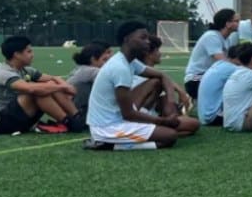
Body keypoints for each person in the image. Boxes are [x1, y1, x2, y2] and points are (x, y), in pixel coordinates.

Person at [84, 22, 199, 150]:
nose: (148, 42)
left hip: (119, 119)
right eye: (142, 38)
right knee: (169, 136)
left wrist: (171, 105)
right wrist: (164, 121)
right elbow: (128, 114)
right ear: (127, 39)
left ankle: (128, 139)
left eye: (147, 38)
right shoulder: (119, 67)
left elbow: (162, 76)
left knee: (186, 125)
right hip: (108, 127)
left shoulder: (129, 61)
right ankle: (109, 145)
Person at [0, 36, 85, 134]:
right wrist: (63, 87)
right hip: (0, 123)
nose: (32, 55)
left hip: (19, 117)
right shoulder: (3, 73)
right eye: (29, 52)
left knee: (49, 85)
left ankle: (76, 117)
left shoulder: (25, 70)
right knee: (38, 90)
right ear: (17, 54)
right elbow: (31, 89)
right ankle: (68, 122)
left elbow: (53, 78)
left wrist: (66, 86)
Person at [184, 8, 239, 99]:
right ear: (227, 23)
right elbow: (223, 62)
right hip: (195, 79)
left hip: (208, 77)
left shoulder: (227, 39)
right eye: (236, 21)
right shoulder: (212, 36)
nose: (239, 24)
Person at [67, 41, 112, 123]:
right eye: (104, 60)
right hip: (78, 113)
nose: (107, 63)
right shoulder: (91, 71)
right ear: (93, 59)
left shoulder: (82, 68)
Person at [197, 45, 242, 126]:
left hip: (205, 116)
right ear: (238, 58)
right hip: (214, 116)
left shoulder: (219, 63)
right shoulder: (233, 68)